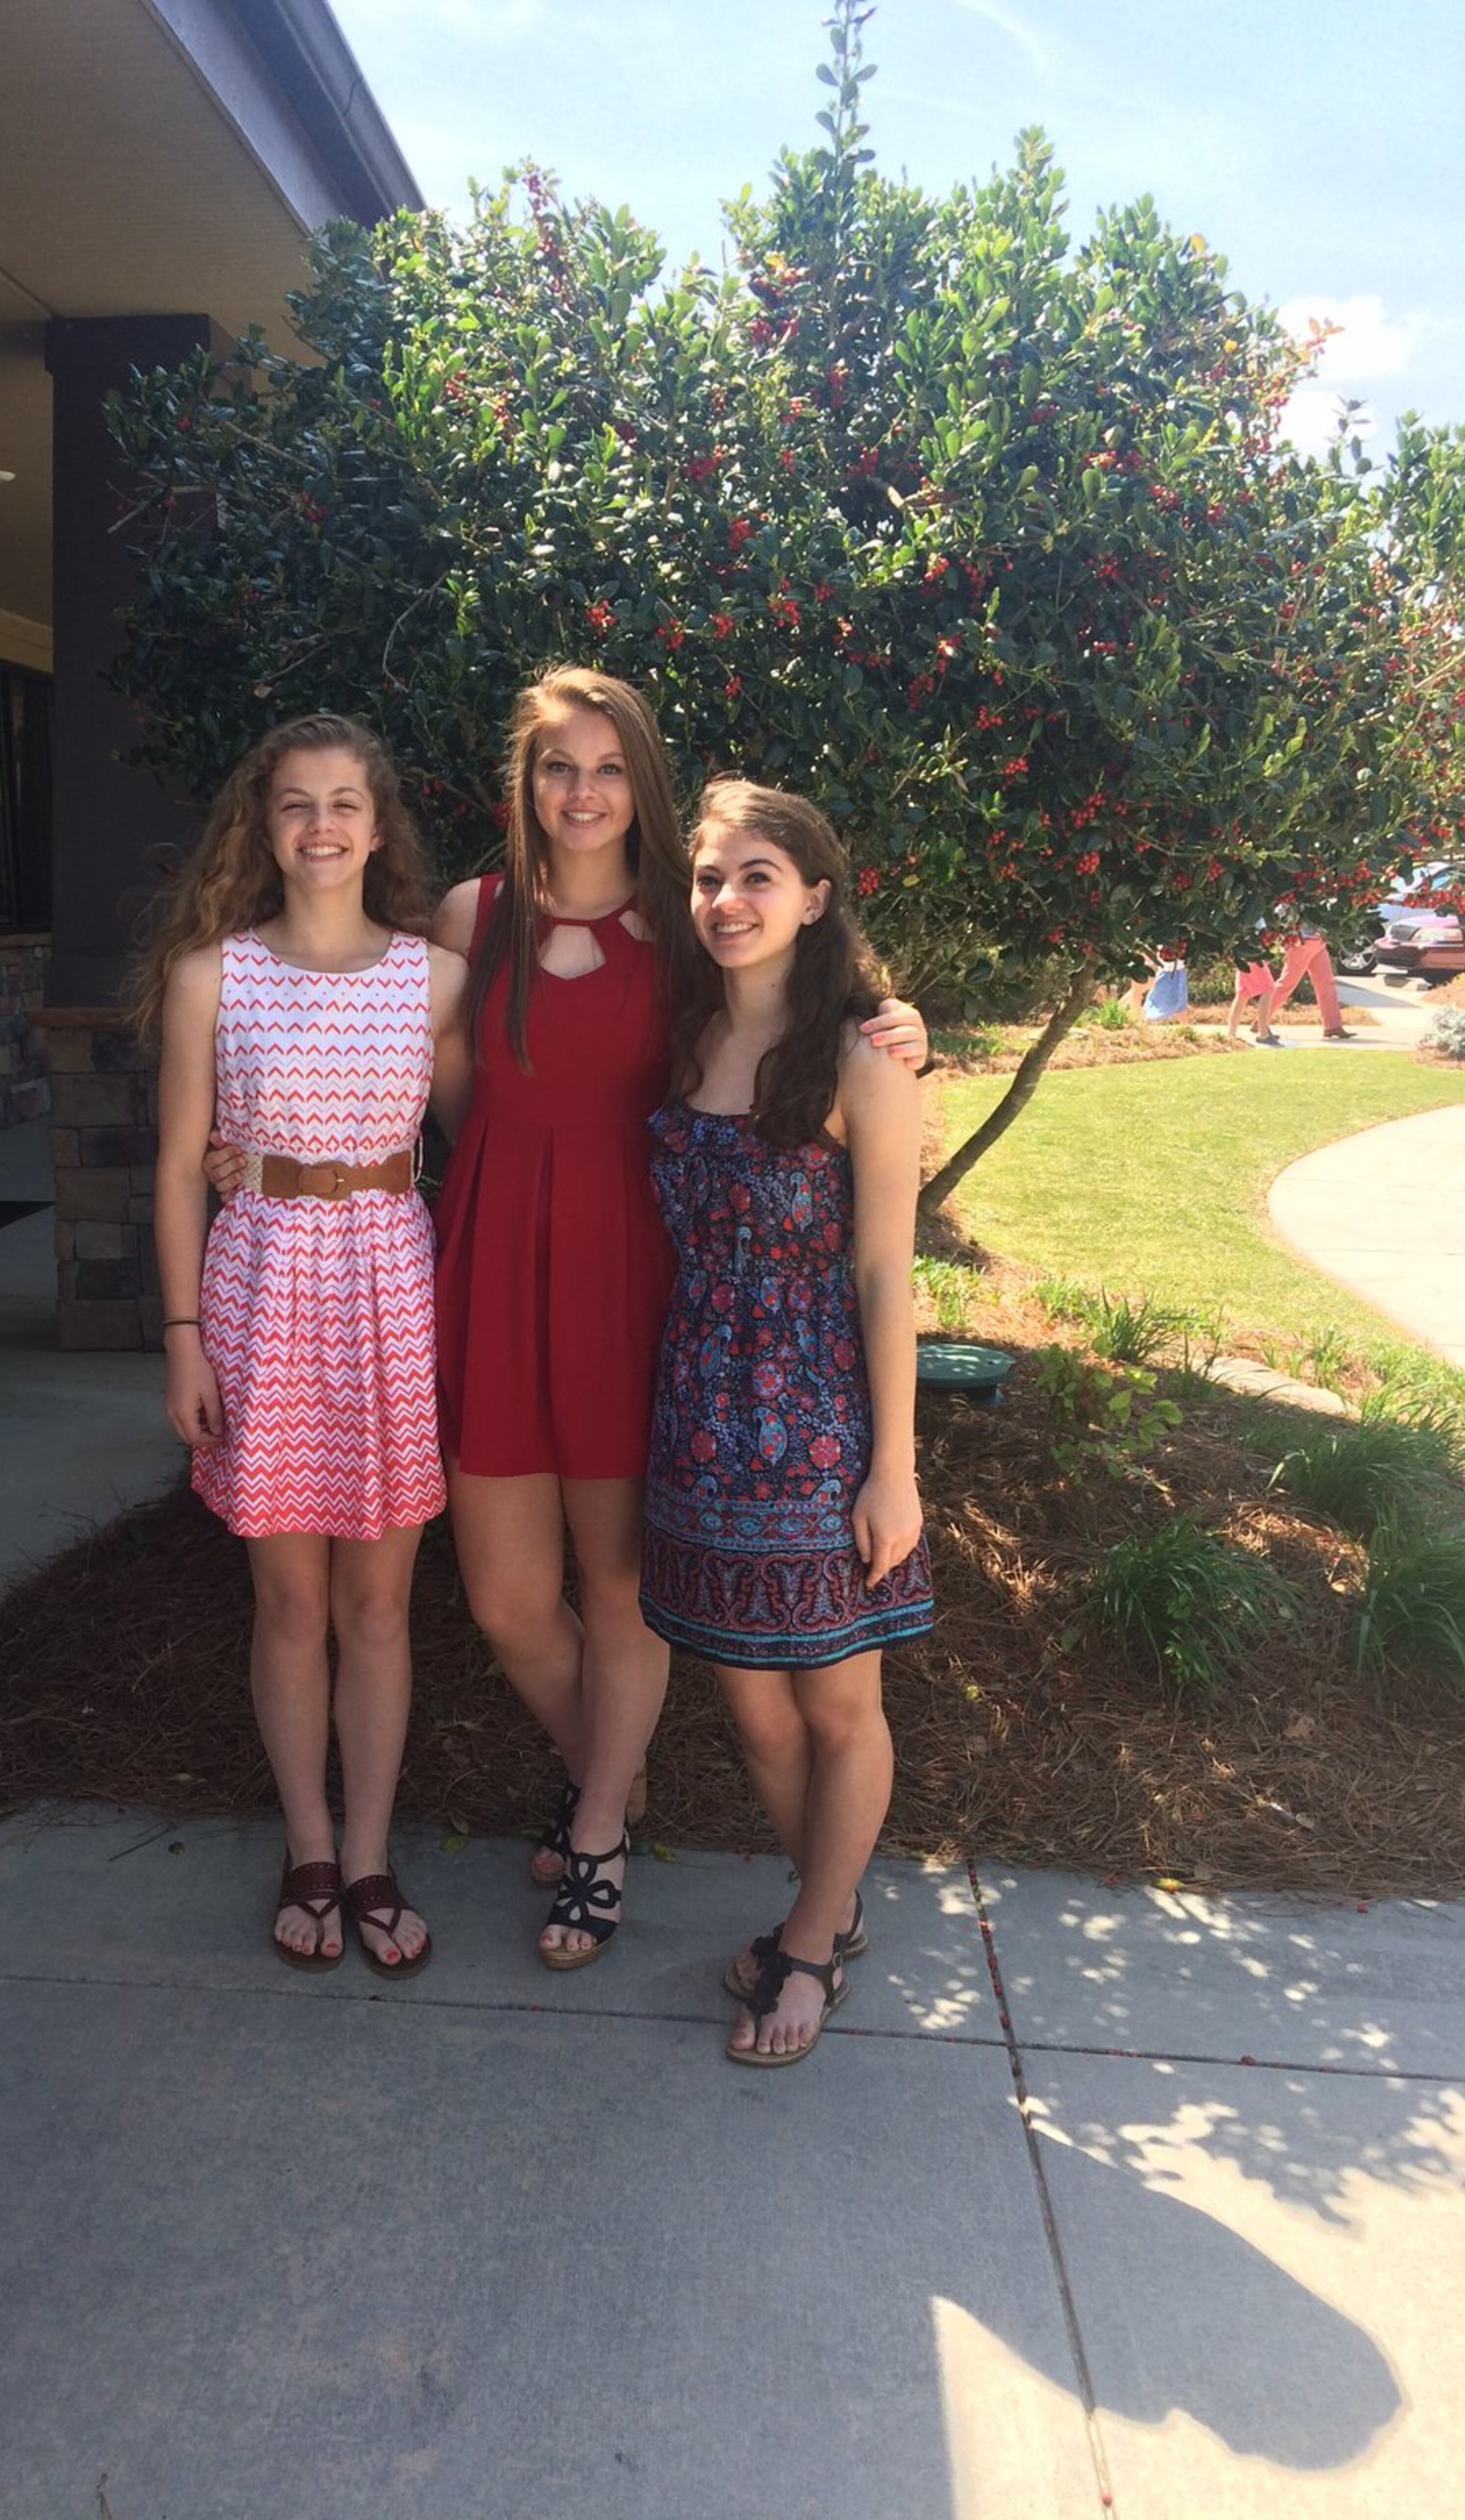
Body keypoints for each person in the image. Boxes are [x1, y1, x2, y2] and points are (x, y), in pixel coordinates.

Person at [209, 669, 928, 1968]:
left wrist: (890, 1020)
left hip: (639, 1285)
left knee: (620, 1588)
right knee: (503, 1598)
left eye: (606, 768)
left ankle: (597, 1830)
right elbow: (415, 1090)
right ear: (523, 784)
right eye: (557, 768)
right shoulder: (469, 918)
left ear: (639, 784)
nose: (581, 793)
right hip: (490, 1263)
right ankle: (615, 1767)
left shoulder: (688, 921)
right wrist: (256, 1154)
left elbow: (793, 1020)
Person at [138, 714, 469, 1976]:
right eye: (294, 802)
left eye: (344, 803)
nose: (319, 825)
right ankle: (310, 1844)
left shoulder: (431, 975)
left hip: (390, 1287)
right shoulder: (210, 976)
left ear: (379, 827)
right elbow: (177, 1171)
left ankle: (374, 1850)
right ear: (261, 823)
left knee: (379, 1605)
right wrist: (181, 1339)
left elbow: (501, 1136)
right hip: (261, 1290)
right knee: (288, 1600)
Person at [638, 779, 932, 2066]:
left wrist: (896, 1470)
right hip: (696, 1422)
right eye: (711, 877)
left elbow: (886, 1276)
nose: (728, 900)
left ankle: (809, 1948)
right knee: (754, 1715)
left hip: (816, 1432)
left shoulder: (868, 1061)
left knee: (839, 1710)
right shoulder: (681, 1036)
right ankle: (835, 1895)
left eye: (759, 875)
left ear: (815, 897)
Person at [1267, 924, 1351, 1039]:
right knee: (1287, 984)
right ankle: (1261, 1021)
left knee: (1326, 983)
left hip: (1319, 941)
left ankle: (1333, 1026)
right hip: (1301, 942)